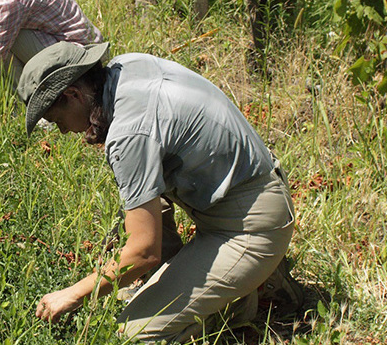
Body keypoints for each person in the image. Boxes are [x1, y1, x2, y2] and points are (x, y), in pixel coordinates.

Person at [17, 42, 302, 342]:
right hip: (251, 191)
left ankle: (247, 295)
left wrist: (73, 294)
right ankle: (238, 277)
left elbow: (144, 251)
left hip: (250, 227)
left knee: (132, 334)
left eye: (57, 120)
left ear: (72, 95)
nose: (62, 131)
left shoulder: (129, 133)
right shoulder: (126, 68)